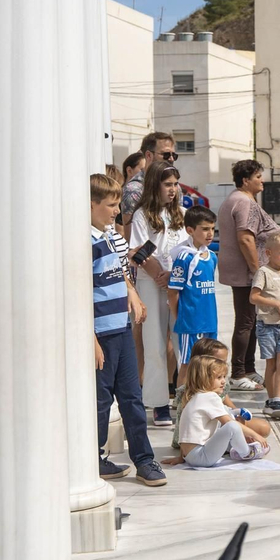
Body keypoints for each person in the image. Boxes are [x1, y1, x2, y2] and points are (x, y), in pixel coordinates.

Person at [89, 173, 163, 487]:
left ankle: (145, 460)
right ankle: (94, 459)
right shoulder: (84, 243)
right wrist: (90, 339)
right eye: (110, 205)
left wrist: (132, 293)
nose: (116, 211)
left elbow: (121, 271)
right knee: (101, 401)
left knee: (132, 398)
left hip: (121, 328)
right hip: (100, 335)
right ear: (90, 205)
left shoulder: (109, 236)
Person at [129, 159, 188, 427]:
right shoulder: (142, 215)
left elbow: (186, 249)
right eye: (167, 185)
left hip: (176, 285)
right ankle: (158, 403)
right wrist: (159, 276)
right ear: (155, 185)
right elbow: (139, 250)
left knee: (181, 339)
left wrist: (172, 277)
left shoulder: (182, 215)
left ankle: (185, 395)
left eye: (175, 184)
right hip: (150, 283)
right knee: (154, 342)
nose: (173, 189)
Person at [218, 159, 280, 391]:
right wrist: (257, 271)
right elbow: (245, 237)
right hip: (246, 273)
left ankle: (249, 369)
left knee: (251, 321)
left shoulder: (236, 199)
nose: (261, 180)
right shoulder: (244, 202)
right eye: (257, 177)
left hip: (242, 271)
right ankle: (237, 373)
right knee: (245, 321)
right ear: (246, 180)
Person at [176, 355, 268, 467]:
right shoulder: (209, 397)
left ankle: (236, 449)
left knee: (226, 417)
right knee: (232, 426)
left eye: (224, 377)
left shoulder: (195, 397)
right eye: (219, 377)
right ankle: (247, 453)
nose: (224, 381)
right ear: (203, 378)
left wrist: (181, 457)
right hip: (201, 456)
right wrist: (256, 435)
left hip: (190, 456)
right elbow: (230, 423)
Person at [168, 205, 220, 382]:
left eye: (212, 228)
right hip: (191, 323)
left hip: (210, 321)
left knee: (209, 362)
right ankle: (181, 401)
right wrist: (180, 317)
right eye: (205, 229)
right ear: (190, 230)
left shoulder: (212, 257)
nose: (210, 233)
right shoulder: (184, 258)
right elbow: (173, 292)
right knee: (188, 362)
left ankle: (202, 398)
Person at [250, 232, 280, 420]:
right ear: (269, 253)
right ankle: (271, 400)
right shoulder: (263, 272)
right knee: (271, 363)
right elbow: (253, 297)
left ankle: (278, 398)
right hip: (267, 325)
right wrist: (274, 304)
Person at [121, 130, 176, 222]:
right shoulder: (134, 190)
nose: (171, 159)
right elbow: (130, 233)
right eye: (166, 154)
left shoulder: (175, 186)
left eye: (174, 155)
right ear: (149, 155)